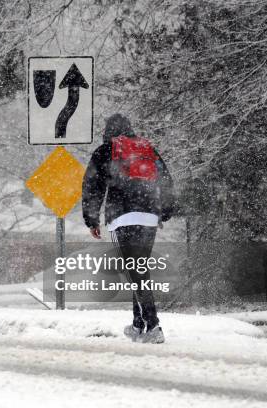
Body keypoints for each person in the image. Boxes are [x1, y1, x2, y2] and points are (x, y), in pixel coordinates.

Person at [82, 113, 175, 343]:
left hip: (123, 217)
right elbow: (165, 180)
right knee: (139, 269)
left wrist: (91, 219)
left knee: (136, 271)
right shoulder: (146, 149)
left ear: (108, 130)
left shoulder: (106, 150)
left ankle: (153, 326)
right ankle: (138, 325)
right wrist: (164, 211)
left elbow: (92, 186)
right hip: (149, 217)